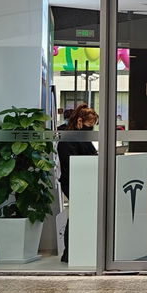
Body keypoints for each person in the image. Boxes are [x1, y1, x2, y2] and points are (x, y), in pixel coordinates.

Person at [57, 104, 99, 263]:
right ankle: (70, 252)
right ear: (80, 121)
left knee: (79, 216)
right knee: (76, 216)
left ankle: (77, 251)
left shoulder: (82, 137)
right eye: (90, 124)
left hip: (84, 181)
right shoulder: (69, 138)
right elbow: (71, 162)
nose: (91, 128)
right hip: (73, 182)